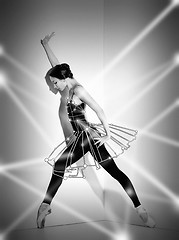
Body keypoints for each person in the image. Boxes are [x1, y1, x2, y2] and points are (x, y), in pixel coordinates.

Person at [37, 32, 156, 229]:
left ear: (62, 79)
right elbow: (56, 66)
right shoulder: (67, 85)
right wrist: (45, 45)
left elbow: (99, 110)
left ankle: (44, 205)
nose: (53, 86)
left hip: (88, 137)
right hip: (82, 138)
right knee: (115, 172)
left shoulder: (78, 90)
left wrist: (108, 135)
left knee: (62, 165)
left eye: (54, 82)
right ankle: (141, 210)